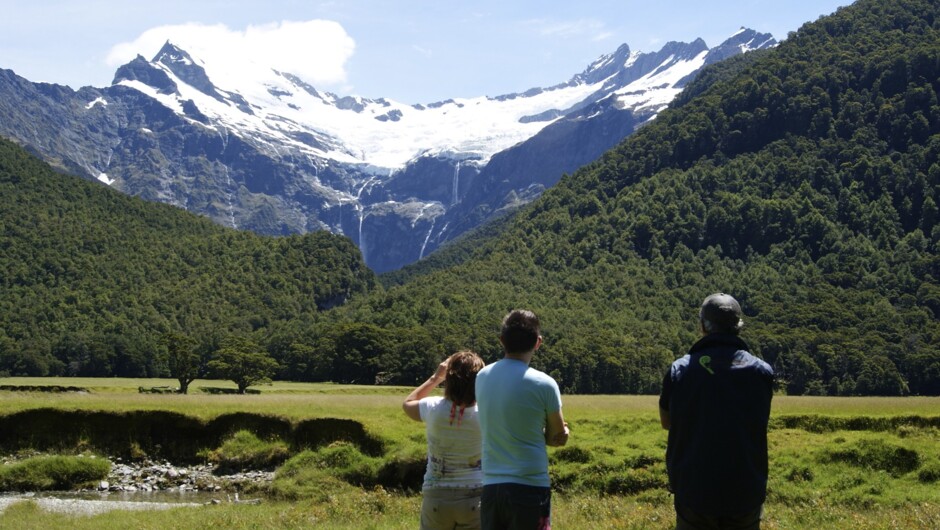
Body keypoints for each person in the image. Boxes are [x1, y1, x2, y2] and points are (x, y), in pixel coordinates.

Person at [659, 293, 774, 530]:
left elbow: (666, 421)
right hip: (745, 489)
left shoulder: (679, 370)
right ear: (738, 326)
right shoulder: (762, 372)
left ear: (702, 326)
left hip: (694, 490)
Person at [475, 309, 569, 530]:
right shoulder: (545, 384)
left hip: (491, 487)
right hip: (530, 486)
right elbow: (557, 436)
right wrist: (563, 433)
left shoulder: (482, 377)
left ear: (501, 341)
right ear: (538, 342)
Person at [403, 350, 486, 530]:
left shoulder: (432, 407)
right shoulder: (486, 414)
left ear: (448, 379)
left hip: (436, 494)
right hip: (475, 495)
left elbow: (408, 403)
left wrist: (435, 377)